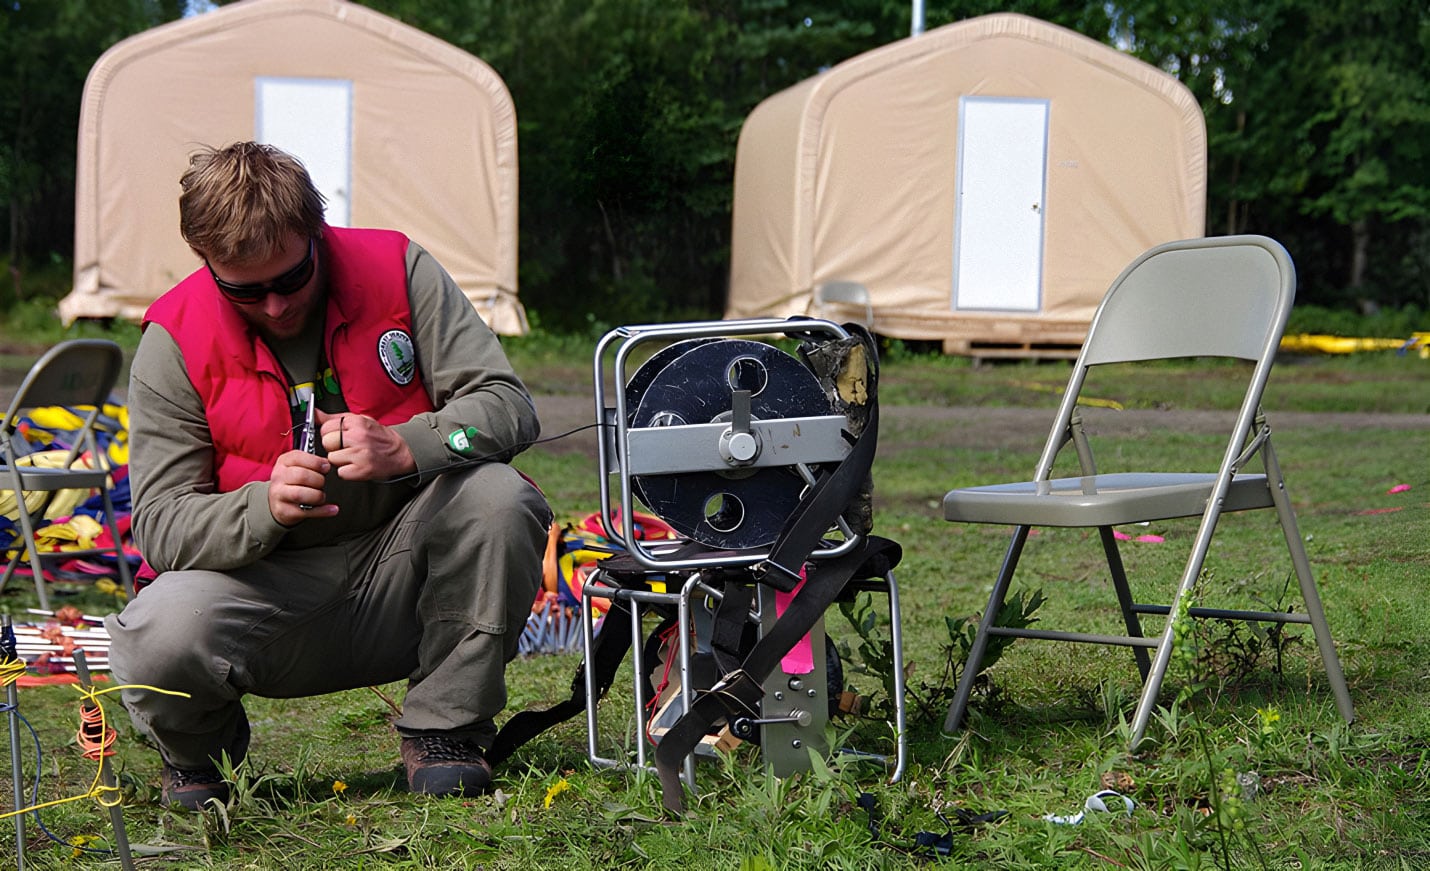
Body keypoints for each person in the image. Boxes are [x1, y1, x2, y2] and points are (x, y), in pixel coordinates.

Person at [104, 141, 551, 810]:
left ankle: (446, 729)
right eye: (245, 290)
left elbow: (508, 407)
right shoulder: (174, 338)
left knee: (499, 499)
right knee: (156, 632)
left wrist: (408, 446)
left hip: (403, 564)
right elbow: (162, 527)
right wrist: (263, 506)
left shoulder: (397, 270)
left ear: (317, 231)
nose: (275, 306)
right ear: (204, 259)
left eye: (291, 279)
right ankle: (200, 757)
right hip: (265, 589)